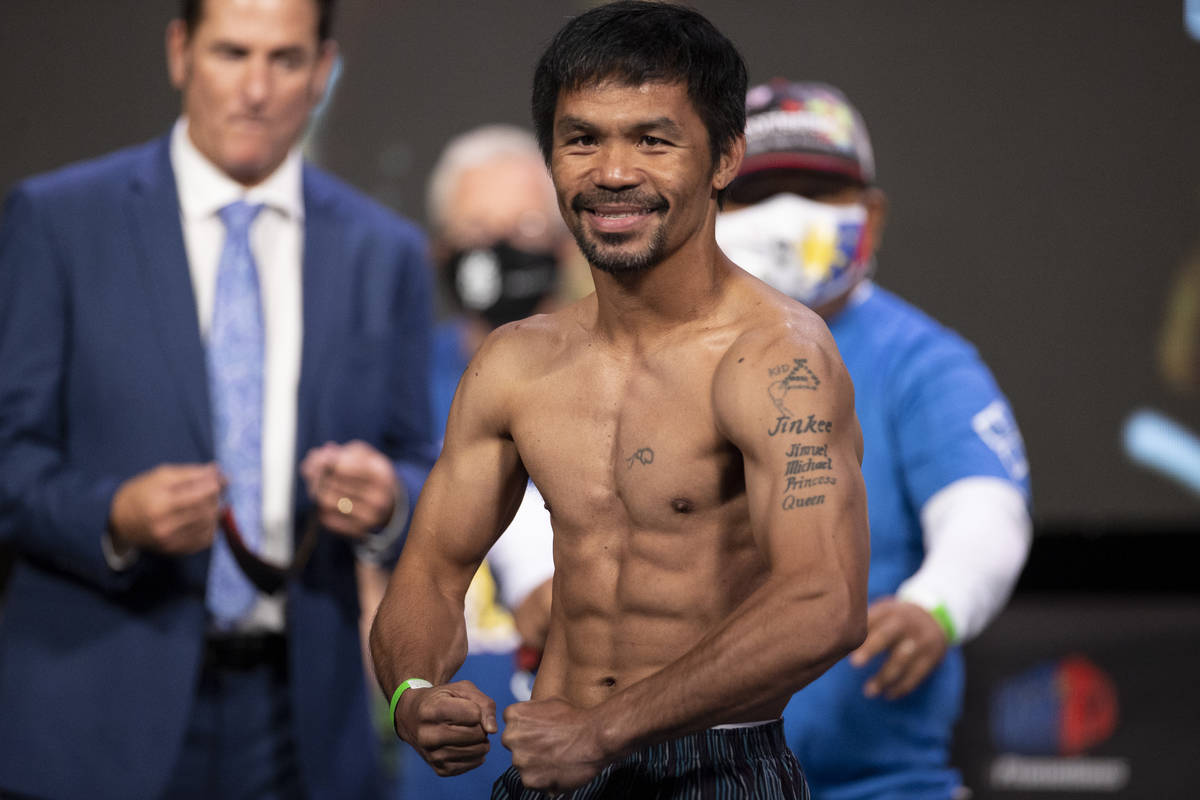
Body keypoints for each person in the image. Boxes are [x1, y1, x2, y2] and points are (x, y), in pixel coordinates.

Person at [370, 3, 870, 798]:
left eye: (652, 139)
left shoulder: (776, 359)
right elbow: (429, 576)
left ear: (724, 157)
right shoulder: (516, 364)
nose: (611, 172)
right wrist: (412, 697)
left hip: (713, 767)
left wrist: (602, 732)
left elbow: (826, 600)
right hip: (553, 769)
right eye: (582, 139)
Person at [0, 0, 434, 797]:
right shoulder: (59, 222)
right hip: (93, 707)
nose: (258, 89)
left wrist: (390, 502)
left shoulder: (386, 252)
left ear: (325, 70)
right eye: (233, 53)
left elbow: (421, 462)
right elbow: (8, 457)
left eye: (287, 59)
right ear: (179, 53)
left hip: (304, 721)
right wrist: (113, 517)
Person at [716, 79, 1033, 800]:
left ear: (873, 216)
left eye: (816, 190)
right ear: (713, 206)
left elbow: (986, 507)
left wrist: (937, 604)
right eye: (758, 193)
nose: (786, 216)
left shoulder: (922, 360)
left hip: (881, 784)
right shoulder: (656, 351)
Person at [388, 123, 566, 799]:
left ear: (560, 239)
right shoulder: (398, 382)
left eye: (523, 225)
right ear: (440, 248)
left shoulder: (620, 374)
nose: (498, 246)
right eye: (476, 226)